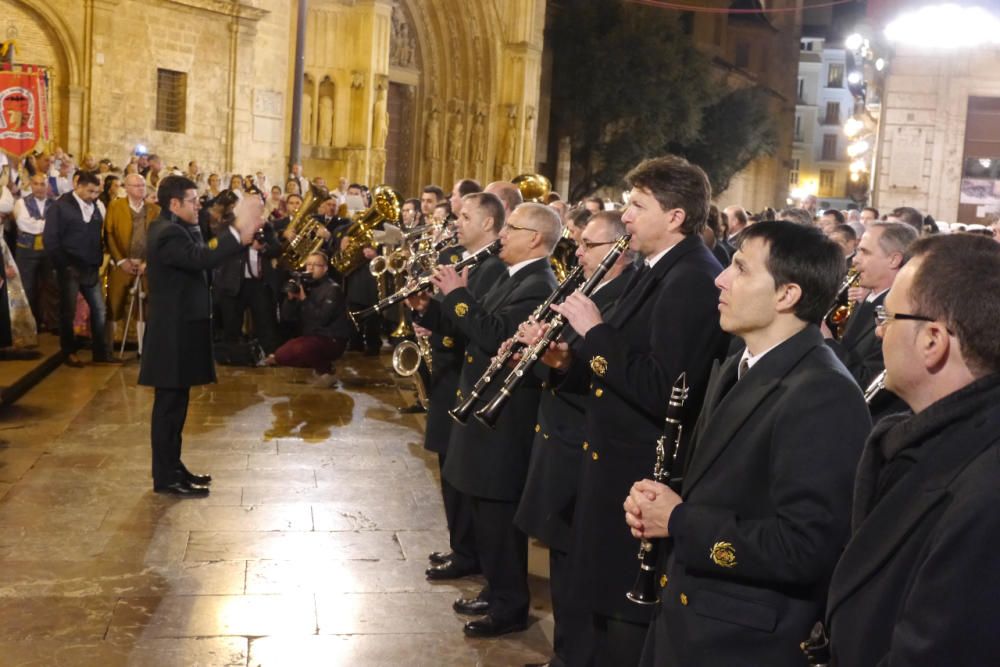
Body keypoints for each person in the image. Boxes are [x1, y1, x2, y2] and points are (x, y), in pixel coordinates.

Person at [624, 220, 872, 667]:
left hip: (741, 643)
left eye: (740, 268)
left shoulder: (822, 392)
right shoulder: (741, 362)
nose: (720, 277)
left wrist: (679, 520)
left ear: (786, 295)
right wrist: (661, 500)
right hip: (692, 619)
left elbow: (807, 546)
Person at [534, 155, 728, 666]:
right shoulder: (657, 267)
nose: (626, 216)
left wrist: (592, 329)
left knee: (622, 626)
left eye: (638, 205)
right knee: (596, 607)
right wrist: (565, 362)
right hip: (611, 463)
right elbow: (619, 362)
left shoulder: (690, 279)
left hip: (637, 470)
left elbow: (665, 388)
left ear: (675, 217)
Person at [824, 233, 1000, 667]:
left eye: (889, 317)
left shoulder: (984, 493)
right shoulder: (926, 443)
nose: (879, 329)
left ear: (932, 340)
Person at [410, 202, 561, 638]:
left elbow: (498, 336)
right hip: (481, 409)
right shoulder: (514, 276)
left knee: (497, 513)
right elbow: (472, 327)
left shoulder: (538, 284)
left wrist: (456, 294)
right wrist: (429, 310)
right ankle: (497, 590)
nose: (503, 236)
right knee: (483, 509)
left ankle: (510, 606)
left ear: (535, 238)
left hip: (506, 419)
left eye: (512, 228)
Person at [515, 210, 635, 667]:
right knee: (562, 564)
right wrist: (547, 351)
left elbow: (612, 370)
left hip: (582, 439)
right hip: (559, 434)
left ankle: (575, 658)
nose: (578, 252)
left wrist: (567, 362)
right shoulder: (587, 289)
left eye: (589, 245)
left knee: (577, 568)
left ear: (619, 250)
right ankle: (564, 654)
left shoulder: (623, 296)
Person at [138, 176, 263, 497]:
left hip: (181, 331)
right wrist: (237, 231)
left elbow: (203, 250)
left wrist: (236, 227)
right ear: (174, 204)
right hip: (171, 336)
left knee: (177, 406)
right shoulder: (166, 234)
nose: (199, 206)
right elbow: (200, 258)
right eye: (192, 201)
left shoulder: (178, 228)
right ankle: (165, 477)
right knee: (168, 409)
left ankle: (173, 467)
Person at [413, 192, 507, 582]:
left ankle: (469, 552)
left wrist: (451, 299)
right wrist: (424, 308)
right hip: (449, 374)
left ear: (488, 223)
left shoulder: (495, 268)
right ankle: (461, 546)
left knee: (462, 474)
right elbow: (453, 319)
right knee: (449, 468)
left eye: (466, 216)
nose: (458, 222)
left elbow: (479, 326)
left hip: (467, 380)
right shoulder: (462, 258)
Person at [823, 222, 917, 391]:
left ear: (894, 260)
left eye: (865, 252)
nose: (855, 259)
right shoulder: (870, 300)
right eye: (858, 250)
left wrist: (827, 341)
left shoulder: (901, 315)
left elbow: (868, 382)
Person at [43, 171, 113, 366]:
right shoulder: (61, 207)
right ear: (78, 186)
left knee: (99, 310)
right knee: (68, 311)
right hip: (70, 267)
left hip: (90, 267)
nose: (93, 196)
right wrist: (63, 265)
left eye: (96, 192)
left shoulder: (96, 207)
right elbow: (51, 239)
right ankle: (68, 351)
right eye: (90, 191)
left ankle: (100, 352)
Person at [264, 252, 352, 386]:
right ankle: (316, 362)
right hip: (311, 337)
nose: (310, 268)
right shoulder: (306, 285)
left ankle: (326, 371)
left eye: (316, 265)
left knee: (302, 349)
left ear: (325, 268)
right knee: (281, 356)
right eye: (308, 264)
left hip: (332, 339)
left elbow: (322, 319)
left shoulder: (333, 289)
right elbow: (287, 317)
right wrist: (291, 299)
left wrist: (304, 299)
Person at [104, 174, 160, 341]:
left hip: (145, 265)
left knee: (144, 305)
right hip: (122, 263)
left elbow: (158, 238)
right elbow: (109, 234)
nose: (141, 188)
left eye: (143, 185)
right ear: (126, 187)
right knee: (115, 301)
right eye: (136, 185)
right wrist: (121, 260)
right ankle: (111, 343)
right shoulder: (115, 206)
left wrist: (147, 262)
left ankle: (143, 345)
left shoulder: (154, 210)